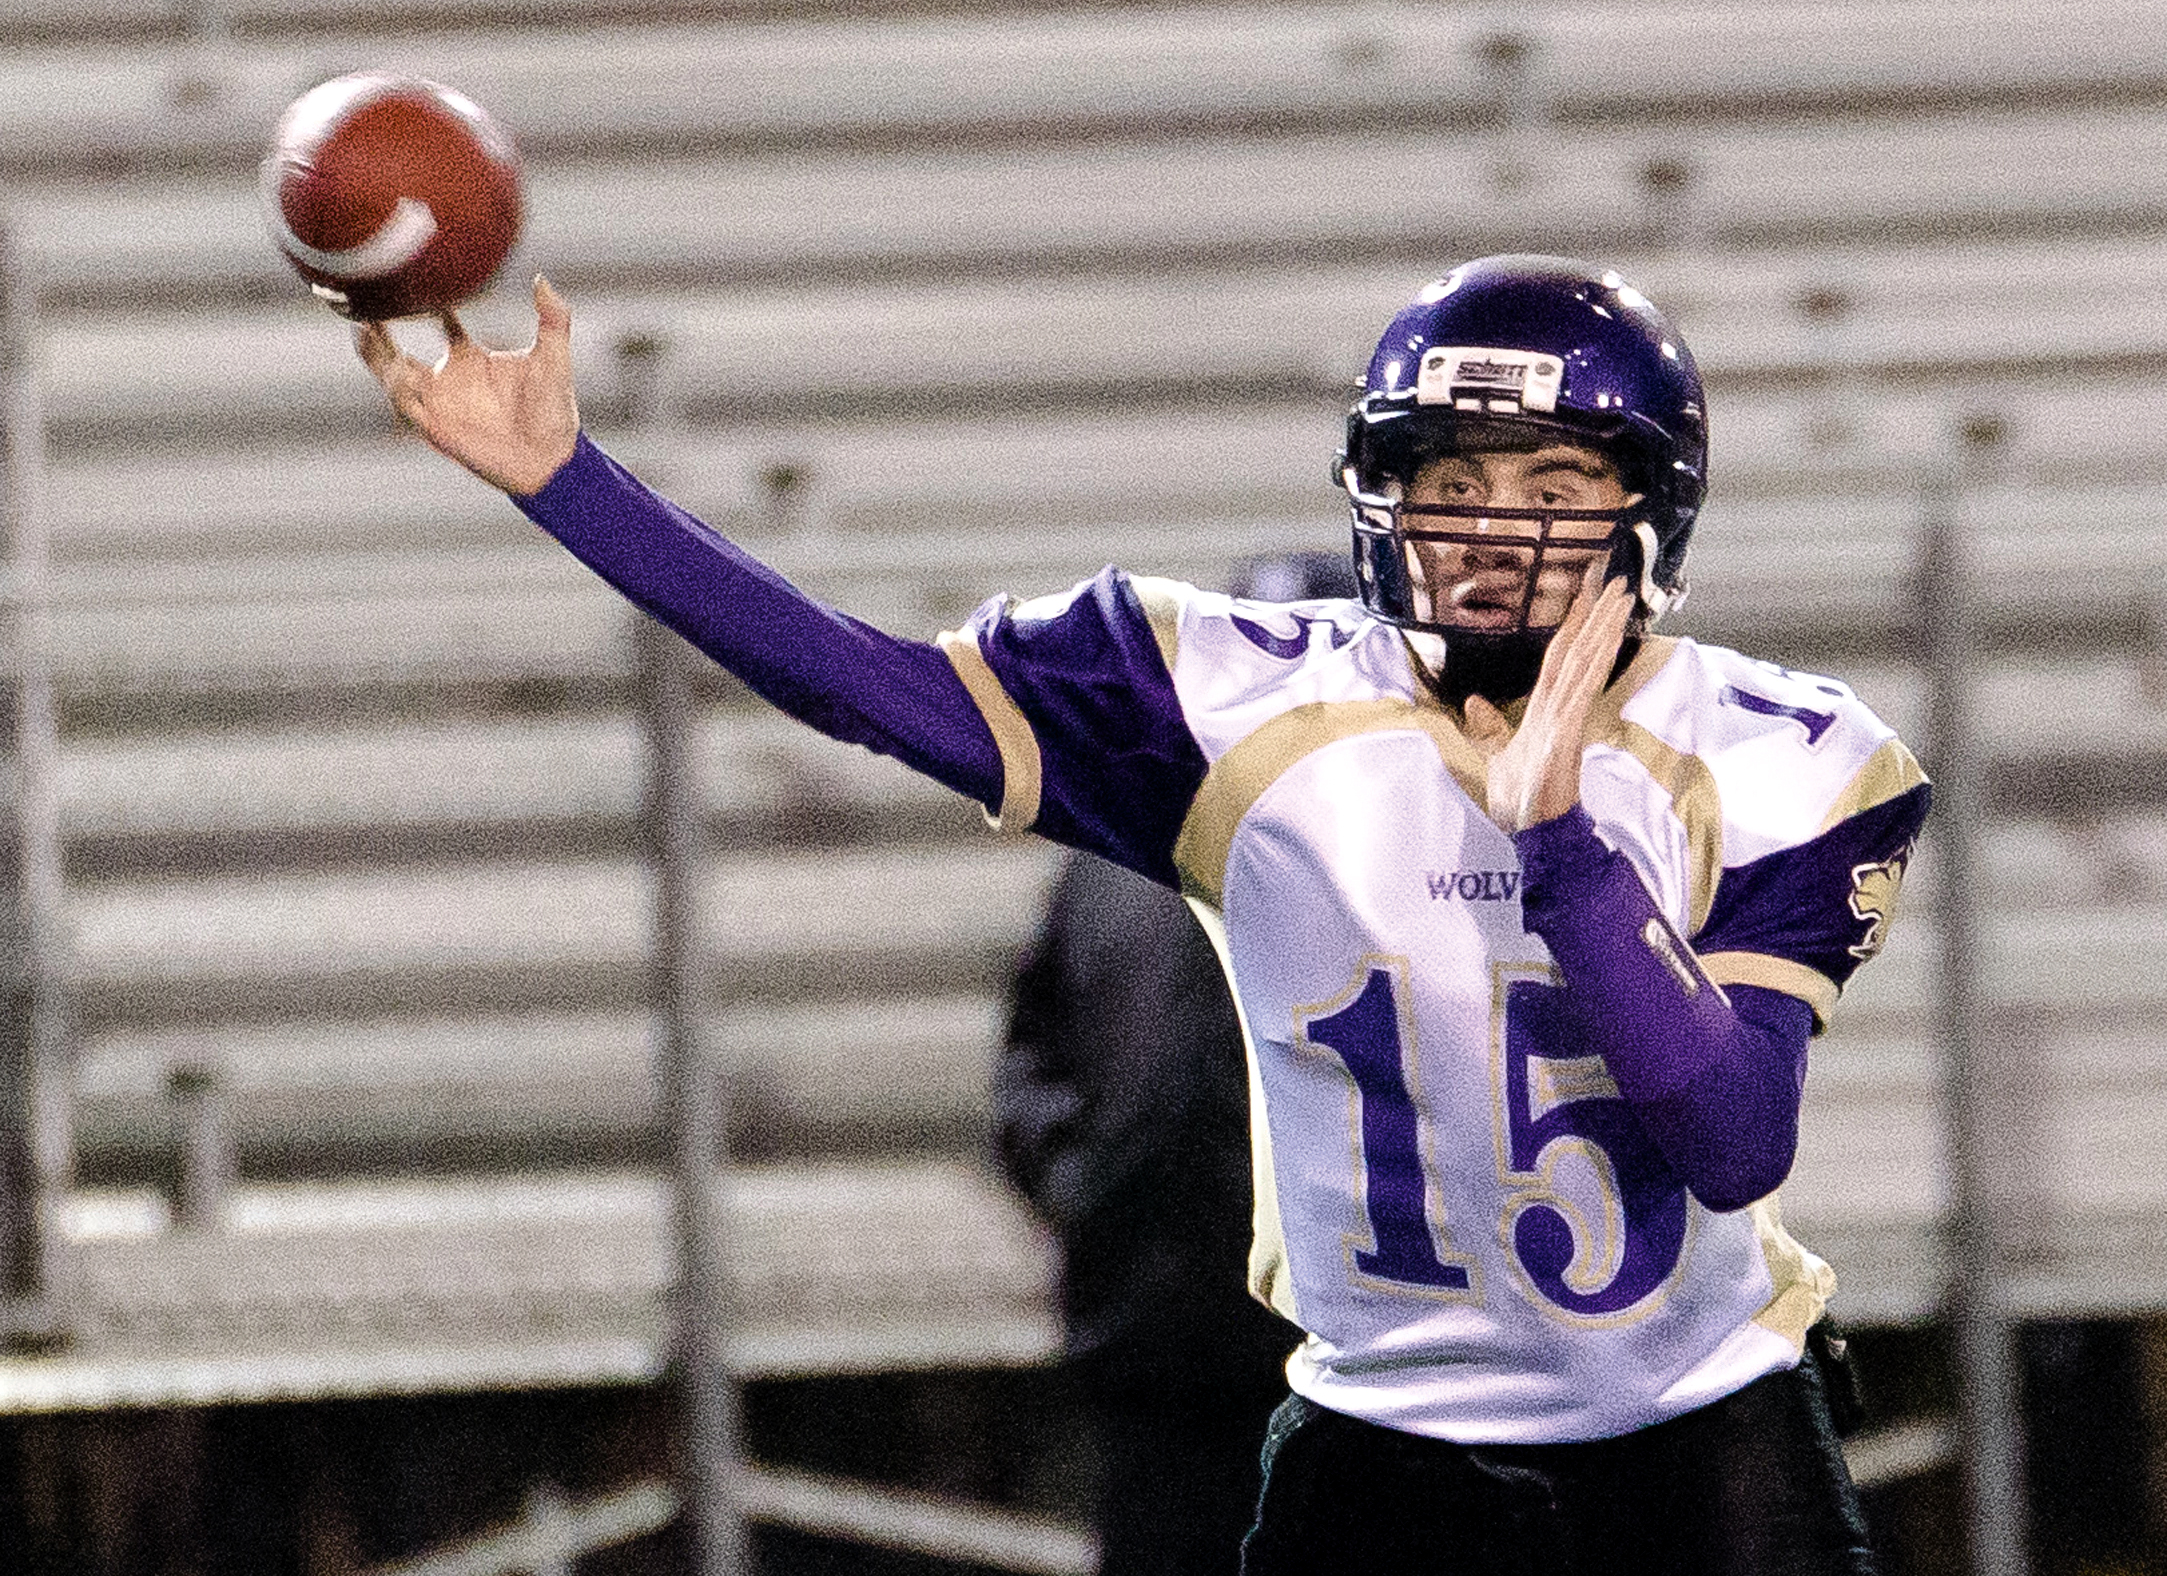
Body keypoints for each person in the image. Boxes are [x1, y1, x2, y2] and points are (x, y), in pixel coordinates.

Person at [355, 254, 1927, 1574]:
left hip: (1701, 1451)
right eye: (1449, 479)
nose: (1491, 531)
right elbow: (864, 684)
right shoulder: (1240, 701)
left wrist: (1560, 844)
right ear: (1381, 499)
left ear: (1648, 508)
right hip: (1379, 1454)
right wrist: (571, 482)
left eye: (1553, 482)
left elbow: (1731, 1139)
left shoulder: (1780, 752)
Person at [993, 552, 1350, 1576]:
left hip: (1352, 1369)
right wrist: (1094, 1193)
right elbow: (1032, 1061)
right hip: (1159, 1351)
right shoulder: (1112, 851)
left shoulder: (1417, 856)